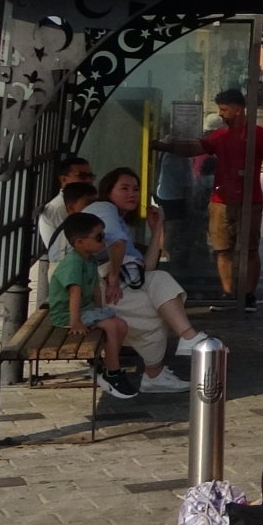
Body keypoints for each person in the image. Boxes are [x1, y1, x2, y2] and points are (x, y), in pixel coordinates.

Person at [153, 89, 263, 313]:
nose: (221, 114)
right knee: (222, 248)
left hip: (249, 200)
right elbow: (195, 149)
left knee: (250, 248)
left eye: (224, 109)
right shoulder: (220, 135)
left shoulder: (258, 134)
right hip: (221, 200)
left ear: (237, 109)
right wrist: (166, 146)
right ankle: (228, 292)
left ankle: (248, 294)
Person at [85, 168, 203, 394]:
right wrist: (111, 280)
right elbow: (116, 244)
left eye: (136, 189)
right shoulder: (104, 208)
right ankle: (165, 361)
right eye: (125, 188)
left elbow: (145, 271)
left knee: (161, 301)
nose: (132, 194)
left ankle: (160, 367)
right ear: (108, 191)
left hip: (117, 287)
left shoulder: (118, 221)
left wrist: (157, 228)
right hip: (100, 291)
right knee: (160, 302)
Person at [48, 212, 134, 400]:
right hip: (67, 315)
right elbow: (74, 293)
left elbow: (95, 287)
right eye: (99, 237)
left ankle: (105, 365)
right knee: (111, 325)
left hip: (86, 310)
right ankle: (113, 373)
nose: (104, 240)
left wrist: (99, 310)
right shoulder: (73, 263)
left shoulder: (88, 258)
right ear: (79, 242)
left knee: (121, 324)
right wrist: (76, 322)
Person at [37, 156, 94, 258]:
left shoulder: (91, 200)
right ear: (63, 179)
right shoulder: (56, 209)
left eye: (91, 176)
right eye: (82, 176)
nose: (88, 181)